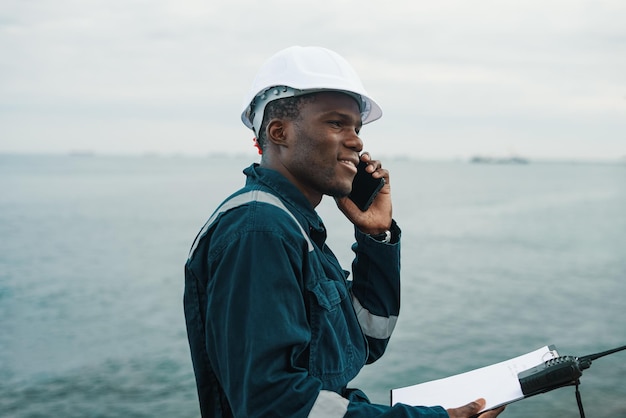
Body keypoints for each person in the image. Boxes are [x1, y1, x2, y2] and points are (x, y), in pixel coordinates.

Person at [184, 46, 505, 418]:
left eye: (356, 127)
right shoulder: (259, 230)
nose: (357, 141)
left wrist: (375, 237)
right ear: (279, 132)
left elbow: (366, 340)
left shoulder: (293, 225)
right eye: (337, 123)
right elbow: (273, 403)